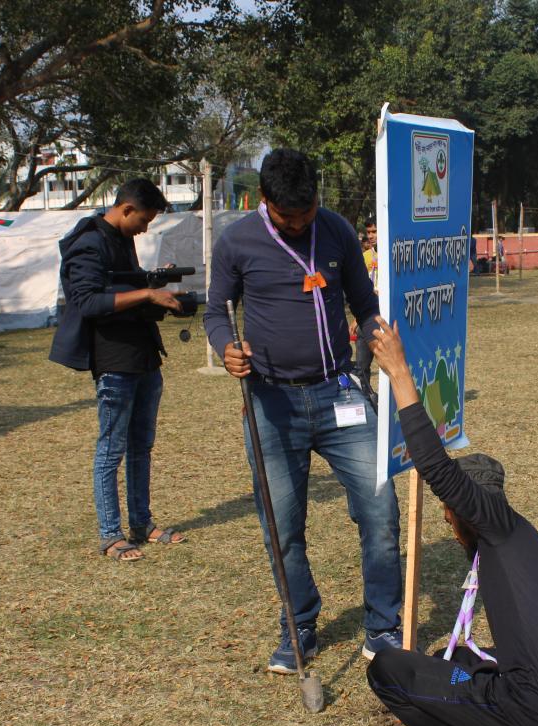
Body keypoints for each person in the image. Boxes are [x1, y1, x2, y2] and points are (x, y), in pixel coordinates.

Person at [365, 317, 538, 726]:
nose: (448, 526)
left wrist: (400, 374)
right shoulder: (519, 536)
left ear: (464, 511)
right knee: (452, 662)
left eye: (448, 516)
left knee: (389, 670)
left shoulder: (494, 523)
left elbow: (436, 468)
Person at [203, 148, 403, 673]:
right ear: (264, 200)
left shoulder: (336, 231)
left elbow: (364, 303)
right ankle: (300, 626)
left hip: (339, 393)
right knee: (283, 526)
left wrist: (377, 339)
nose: (297, 225)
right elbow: (215, 310)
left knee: (381, 509)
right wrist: (226, 347)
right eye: (286, 217)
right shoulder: (236, 242)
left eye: (305, 213)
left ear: (317, 197)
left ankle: (384, 625)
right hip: (271, 402)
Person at [49, 178, 188, 562]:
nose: (144, 229)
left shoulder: (121, 239)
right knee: (112, 449)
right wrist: (147, 293)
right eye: (143, 220)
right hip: (114, 361)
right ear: (126, 209)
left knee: (142, 446)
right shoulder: (89, 243)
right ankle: (111, 535)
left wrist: (152, 281)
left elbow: (121, 287)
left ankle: (141, 524)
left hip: (143, 355)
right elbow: (87, 301)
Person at [351, 216, 379, 399]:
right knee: (361, 366)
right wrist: (356, 318)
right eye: (368, 232)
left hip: (387, 317)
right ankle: (367, 399)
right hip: (366, 317)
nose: (371, 236)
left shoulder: (394, 253)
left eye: (374, 231)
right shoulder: (365, 257)